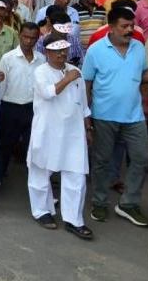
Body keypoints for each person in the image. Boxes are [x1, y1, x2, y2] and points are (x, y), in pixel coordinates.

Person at [83, 5, 148, 227]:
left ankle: (128, 204)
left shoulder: (139, 48)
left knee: (141, 158)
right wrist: (87, 117)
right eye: (124, 26)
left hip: (135, 116)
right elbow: (87, 84)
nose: (130, 29)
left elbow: (143, 76)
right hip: (104, 115)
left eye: (132, 25)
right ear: (111, 27)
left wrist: (145, 99)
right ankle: (99, 202)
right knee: (102, 161)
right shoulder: (96, 50)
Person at [28, 34, 93, 239]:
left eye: (64, 50)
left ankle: (74, 220)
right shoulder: (40, 71)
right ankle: (42, 211)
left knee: (76, 175)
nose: (61, 54)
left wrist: (88, 127)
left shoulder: (76, 71)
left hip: (73, 132)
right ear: (47, 52)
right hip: (47, 130)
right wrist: (66, 79)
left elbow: (83, 103)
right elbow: (48, 93)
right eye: (56, 50)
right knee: (40, 172)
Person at [0, 22, 44, 186]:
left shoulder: (41, 59)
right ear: (19, 36)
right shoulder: (8, 58)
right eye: (25, 37)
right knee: (6, 145)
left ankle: (36, 182)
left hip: (32, 108)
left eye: (32, 38)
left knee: (33, 145)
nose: (28, 41)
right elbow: (1, 85)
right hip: (10, 107)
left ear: (37, 39)